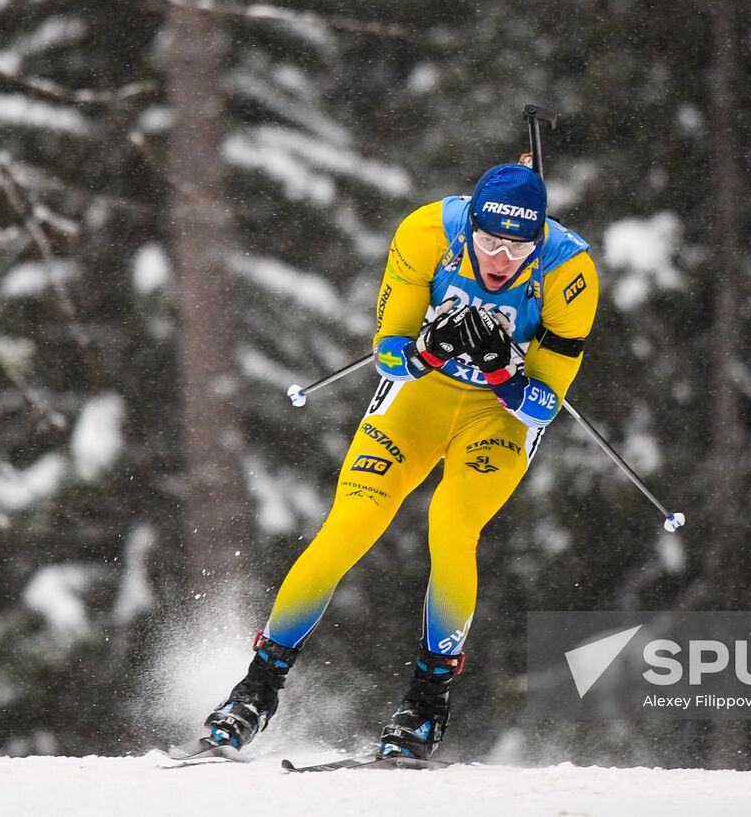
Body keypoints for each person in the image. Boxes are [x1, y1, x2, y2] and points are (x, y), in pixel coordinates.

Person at [203, 159, 599, 760]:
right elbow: (389, 350)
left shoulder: (570, 273)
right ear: (468, 228)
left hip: (495, 418)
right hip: (418, 400)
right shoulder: (426, 234)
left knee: (451, 526)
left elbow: (545, 403)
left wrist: (502, 372)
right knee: (349, 525)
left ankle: (426, 705)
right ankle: (255, 690)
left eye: (517, 247)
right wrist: (422, 353)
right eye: (489, 241)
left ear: (538, 239)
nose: (500, 259)